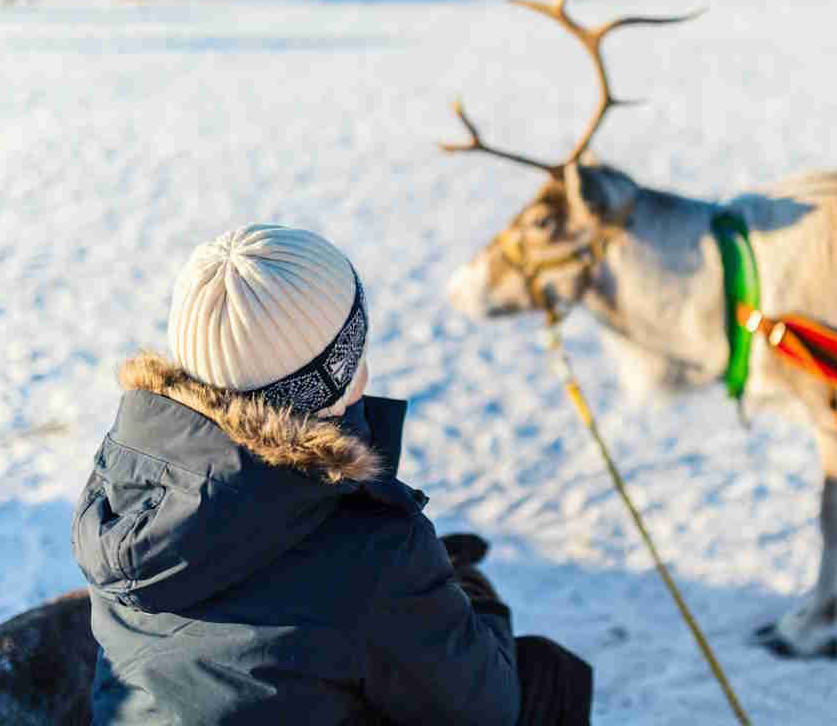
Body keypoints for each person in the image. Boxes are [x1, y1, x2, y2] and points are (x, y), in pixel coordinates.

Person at [72, 225, 594, 726]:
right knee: (549, 680)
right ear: (338, 371)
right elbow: (488, 707)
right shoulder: (377, 553)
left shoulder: (129, 471)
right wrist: (471, 594)